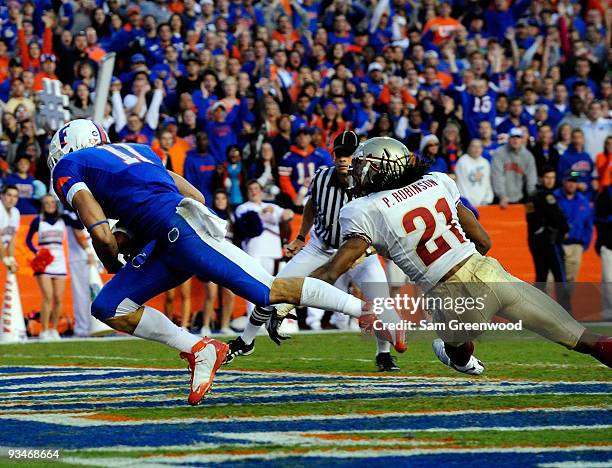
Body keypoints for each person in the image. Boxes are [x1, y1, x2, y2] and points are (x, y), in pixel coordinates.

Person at [48, 119, 384, 406]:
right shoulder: (141, 150)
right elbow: (196, 195)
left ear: (68, 148)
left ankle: (370, 313)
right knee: (109, 305)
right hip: (173, 230)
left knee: (269, 291)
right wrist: (139, 230)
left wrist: (113, 261)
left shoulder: (69, 166)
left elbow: (103, 236)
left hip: (180, 230)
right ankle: (199, 349)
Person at [309, 136, 612, 375]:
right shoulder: (437, 181)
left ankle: (461, 358)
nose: (356, 173)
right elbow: (483, 239)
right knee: (584, 338)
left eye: (363, 166)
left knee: (456, 348)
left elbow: (334, 271)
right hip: (492, 273)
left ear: (381, 170)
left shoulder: (362, 210)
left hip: (450, 294)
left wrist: (286, 290)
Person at [228, 131, 405, 372]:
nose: (344, 159)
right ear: (333, 156)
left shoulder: (371, 183)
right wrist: (301, 236)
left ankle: (383, 355)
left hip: (360, 254)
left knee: (381, 301)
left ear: (359, 157)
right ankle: (246, 341)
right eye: (340, 154)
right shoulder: (321, 177)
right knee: (274, 289)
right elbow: (312, 204)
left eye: (349, 155)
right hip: (321, 247)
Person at [25, 194, 83, 340]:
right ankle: (44, 330)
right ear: (42, 205)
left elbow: (80, 225)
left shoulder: (63, 218)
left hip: (59, 260)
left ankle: (53, 330)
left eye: (52, 202)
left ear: (56, 204)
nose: (50, 205)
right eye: (47, 202)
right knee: (47, 296)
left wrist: (74, 208)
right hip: (43, 261)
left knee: (58, 298)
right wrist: (37, 252)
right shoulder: (38, 220)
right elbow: (28, 240)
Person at [235, 179, 293, 315]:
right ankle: (253, 318)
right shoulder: (243, 208)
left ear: (261, 191)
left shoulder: (272, 206)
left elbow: (288, 215)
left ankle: (272, 318)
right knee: (254, 285)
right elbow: (245, 225)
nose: (254, 191)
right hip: (254, 252)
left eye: (256, 188)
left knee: (272, 287)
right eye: (250, 189)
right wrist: (262, 213)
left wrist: (285, 212)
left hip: (272, 252)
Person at [525, 167, 570, 311]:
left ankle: (538, 311)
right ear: (541, 178)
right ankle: (567, 312)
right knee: (560, 278)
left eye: (552, 177)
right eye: (547, 177)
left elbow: (530, 219)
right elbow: (558, 219)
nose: (550, 180)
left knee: (541, 277)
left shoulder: (531, 196)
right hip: (550, 242)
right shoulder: (547, 196)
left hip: (536, 242)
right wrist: (564, 229)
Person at [201, 190, 236, 336]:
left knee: (231, 294)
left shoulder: (232, 218)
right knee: (211, 294)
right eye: (217, 198)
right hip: (212, 259)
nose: (220, 201)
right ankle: (205, 326)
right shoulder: (209, 217)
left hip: (228, 260)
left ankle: (225, 325)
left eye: (223, 198)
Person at [554, 172, 594, 286]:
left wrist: (583, 245)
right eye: (570, 181)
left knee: (570, 281)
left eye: (575, 181)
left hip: (576, 245)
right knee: (550, 280)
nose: (572, 184)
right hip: (557, 244)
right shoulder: (554, 198)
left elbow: (588, 224)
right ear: (563, 181)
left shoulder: (583, 201)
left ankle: (564, 304)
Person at [491, 127, 537, 207]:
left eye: (518, 137)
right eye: (513, 137)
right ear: (508, 139)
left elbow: (531, 178)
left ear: (522, 140)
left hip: (520, 198)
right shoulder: (499, 153)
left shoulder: (528, 156)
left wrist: (532, 197)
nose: (515, 140)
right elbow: (497, 176)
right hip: (501, 199)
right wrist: (501, 195)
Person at [454, 139, 494, 207]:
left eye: (479, 147)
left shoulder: (485, 162)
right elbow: (461, 184)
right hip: (467, 205)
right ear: (469, 148)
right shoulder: (462, 161)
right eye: (474, 146)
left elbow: (487, 183)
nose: (476, 149)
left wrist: (488, 199)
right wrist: (466, 202)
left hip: (484, 204)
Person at [0, 185, 19, 274]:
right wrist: (5, 260)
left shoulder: (16, 212)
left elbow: (12, 239)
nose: (12, 199)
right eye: (9, 195)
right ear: (2, 195)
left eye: (15, 196)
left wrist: (11, 259)